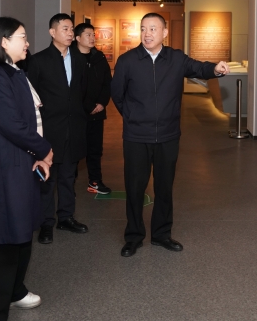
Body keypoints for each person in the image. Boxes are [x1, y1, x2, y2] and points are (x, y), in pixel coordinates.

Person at [111, 13, 230, 257]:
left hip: (168, 135)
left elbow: (198, 67)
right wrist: (133, 117)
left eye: (153, 29)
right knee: (135, 188)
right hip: (136, 136)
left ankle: (162, 234)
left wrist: (215, 69)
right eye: (143, 29)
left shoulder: (176, 58)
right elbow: (117, 94)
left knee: (164, 187)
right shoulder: (127, 61)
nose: (147, 34)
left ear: (165, 33)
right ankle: (133, 236)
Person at [0, 17, 53, 320]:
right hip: (5, 165)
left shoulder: (15, 72)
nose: (28, 43)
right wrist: (44, 149)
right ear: (4, 41)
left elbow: (30, 120)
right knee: (1, 238)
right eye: (22, 37)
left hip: (22, 160)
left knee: (20, 231)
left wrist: (39, 154)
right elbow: (12, 124)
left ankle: (14, 291)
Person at [27, 13, 88, 244]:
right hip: (50, 129)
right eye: (65, 29)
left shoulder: (80, 59)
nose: (70, 33)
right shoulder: (39, 60)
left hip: (74, 127)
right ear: (52, 32)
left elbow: (82, 91)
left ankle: (66, 217)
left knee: (68, 176)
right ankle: (46, 223)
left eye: (72, 29)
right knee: (47, 179)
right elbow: (31, 97)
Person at [73, 22, 113, 194]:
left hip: (97, 113)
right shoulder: (70, 58)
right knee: (74, 149)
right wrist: (88, 106)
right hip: (77, 114)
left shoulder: (99, 57)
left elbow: (107, 83)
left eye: (93, 35)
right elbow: (72, 88)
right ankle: (69, 184)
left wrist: (102, 103)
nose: (92, 38)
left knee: (95, 150)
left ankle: (95, 181)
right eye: (88, 35)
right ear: (77, 38)